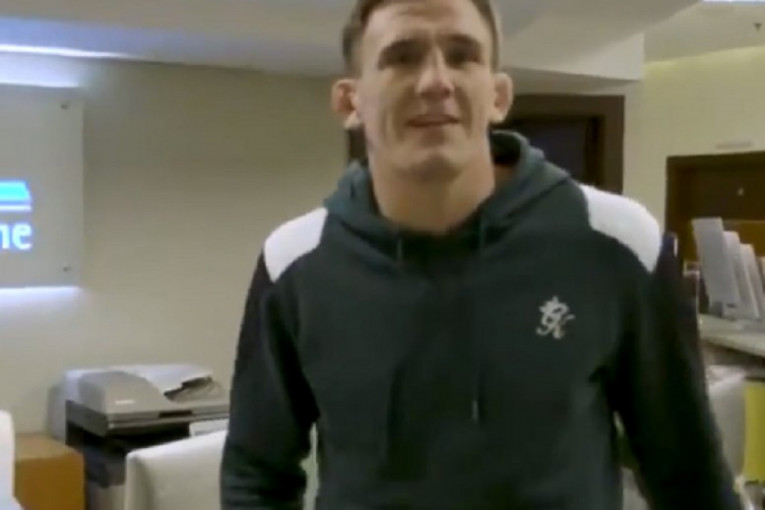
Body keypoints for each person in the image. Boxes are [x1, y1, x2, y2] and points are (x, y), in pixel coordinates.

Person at [220, 0, 742, 508]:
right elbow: (256, 477)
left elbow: (690, 479)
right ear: (349, 101)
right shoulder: (295, 263)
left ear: (498, 95)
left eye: (462, 55)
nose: (435, 81)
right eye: (402, 57)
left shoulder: (619, 242)